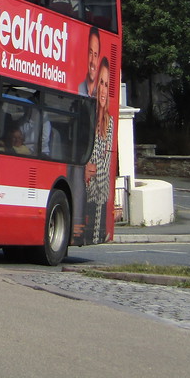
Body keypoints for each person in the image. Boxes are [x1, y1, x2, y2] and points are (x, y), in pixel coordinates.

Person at [83, 57, 114, 243]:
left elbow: (105, 166)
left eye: (107, 84)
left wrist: (93, 173)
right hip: (88, 195)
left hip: (100, 198)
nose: (103, 90)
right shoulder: (88, 118)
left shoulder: (108, 124)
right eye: (101, 83)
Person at [78, 26, 101, 97]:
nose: (93, 61)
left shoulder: (100, 94)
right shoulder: (79, 89)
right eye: (90, 53)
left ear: (98, 59)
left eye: (95, 54)